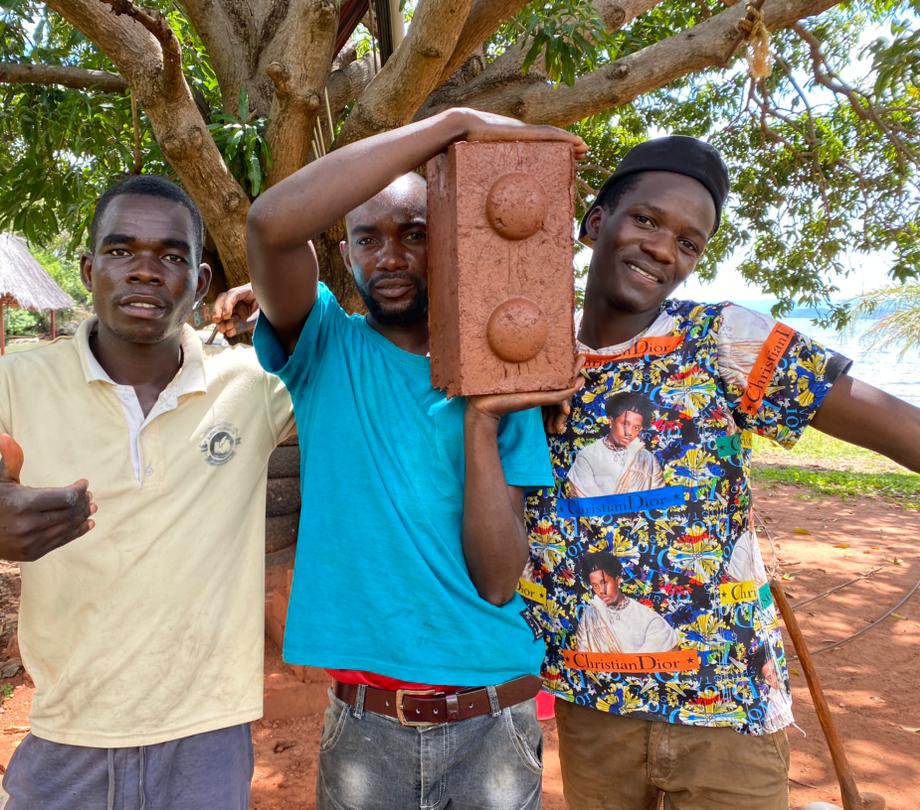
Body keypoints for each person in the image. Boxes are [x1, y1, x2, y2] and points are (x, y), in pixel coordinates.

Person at [522, 135, 920, 808]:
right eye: (647, 220)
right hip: (592, 704)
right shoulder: (527, 354)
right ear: (595, 223)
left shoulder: (723, 340)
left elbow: (897, 426)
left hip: (727, 705)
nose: (662, 248)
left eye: (688, 243)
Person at [0, 175, 294, 809]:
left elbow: (370, 358)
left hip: (209, 743)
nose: (145, 272)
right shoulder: (11, 387)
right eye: (120, 251)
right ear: (87, 269)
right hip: (66, 737)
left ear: (201, 280)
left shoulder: (255, 385)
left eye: (171, 256)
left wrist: (288, 304)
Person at [245, 108, 586, 810]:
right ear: (344, 253)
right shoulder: (322, 349)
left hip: (493, 711)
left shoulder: (501, 376)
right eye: (368, 238)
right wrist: (453, 125)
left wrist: (482, 420)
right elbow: (270, 225)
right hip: (368, 721)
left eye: (416, 233)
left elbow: (497, 581)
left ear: (454, 243)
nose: (391, 256)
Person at [574, 551, 678, 654]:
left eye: (604, 583)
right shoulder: (590, 615)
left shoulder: (650, 621)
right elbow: (582, 657)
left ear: (618, 580)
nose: (601, 591)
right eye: (595, 586)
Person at [567, 391, 663, 496]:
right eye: (625, 424)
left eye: (636, 427)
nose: (629, 433)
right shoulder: (588, 456)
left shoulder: (648, 460)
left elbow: (660, 499)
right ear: (611, 421)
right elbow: (585, 502)